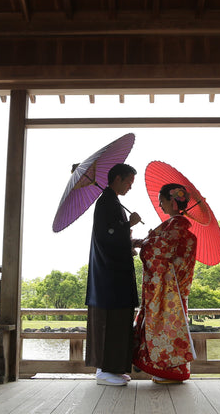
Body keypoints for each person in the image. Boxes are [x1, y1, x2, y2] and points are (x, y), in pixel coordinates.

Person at [132, 183, 198, 383]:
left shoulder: (176, 226)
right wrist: (146, 240)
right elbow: (160, 245)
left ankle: (171, 372)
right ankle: (173, 371)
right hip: (176, 288)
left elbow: (160, 251)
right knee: (172, 329)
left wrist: (145, 243)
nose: (160, 206)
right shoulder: (177, 227)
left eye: (162, 201)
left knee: (166, 328)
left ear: (172, 201)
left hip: (169, 290)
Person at [85, 163, 141, 386]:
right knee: (108, 321)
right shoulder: (105, 202)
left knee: (119, 320)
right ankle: (103, 370)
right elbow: (105, 236)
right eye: (128, 182)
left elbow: (114, 236)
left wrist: (128, 242)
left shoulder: (112, 201)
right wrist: (129, 223)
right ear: (117, 178)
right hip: (108, 277)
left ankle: (114, 368)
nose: (129, 187)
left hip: (115, 274)